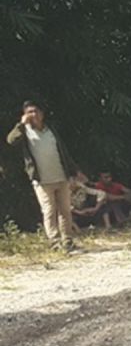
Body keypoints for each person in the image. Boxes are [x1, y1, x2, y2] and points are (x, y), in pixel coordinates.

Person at [5, 101, 80, 251]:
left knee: (65, 210)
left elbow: (62, 152)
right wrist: (20, 124)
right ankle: (55, 242)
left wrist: (74, 171)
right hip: (42, 181)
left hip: (61, 176)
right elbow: (11, 141)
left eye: (36, 111)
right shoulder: (24, 131)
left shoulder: (51, 129)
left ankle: (67, 241)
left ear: (42, 113)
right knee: (49, 211)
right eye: (29, 112)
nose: (33, 115)